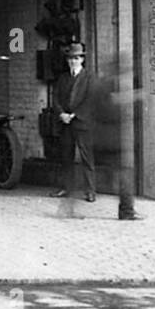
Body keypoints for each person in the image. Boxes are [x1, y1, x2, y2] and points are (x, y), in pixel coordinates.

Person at [51, 42, 96, 202]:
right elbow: (55, 98)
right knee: (66, 157)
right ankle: (65, 188)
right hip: (65, 123)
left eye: (76, 58)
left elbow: (90, 99)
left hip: (82, 123)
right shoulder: (63, 78)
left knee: (86, 157)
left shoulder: (89, 77)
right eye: (70, 58)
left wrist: (74, 115)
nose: (73, 61)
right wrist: (62, 113)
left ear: (82, 60)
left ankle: (90, 191)